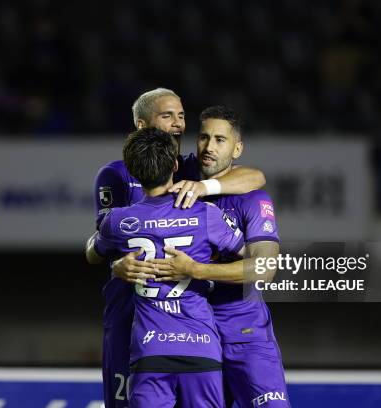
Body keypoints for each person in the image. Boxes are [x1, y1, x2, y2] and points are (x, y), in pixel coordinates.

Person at [92, 88, 266, 407]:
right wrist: (116, 266)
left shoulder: (187, 168)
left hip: (181, 317)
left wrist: (205, 185)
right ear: (142, 125)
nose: (178, 124)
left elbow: (255, 177)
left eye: (182, 115)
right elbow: (97, 244)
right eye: (167, 115)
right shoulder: (115, 174)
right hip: (128, 313)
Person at [151, 106, 290, 407]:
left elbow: (265, 267)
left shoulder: (253, 199)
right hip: (191, 333)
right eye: (203, 137)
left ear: (237, 148)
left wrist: (196, 270)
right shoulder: (180, 174)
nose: (209, 147)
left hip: (244, 331)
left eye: (220, 140)